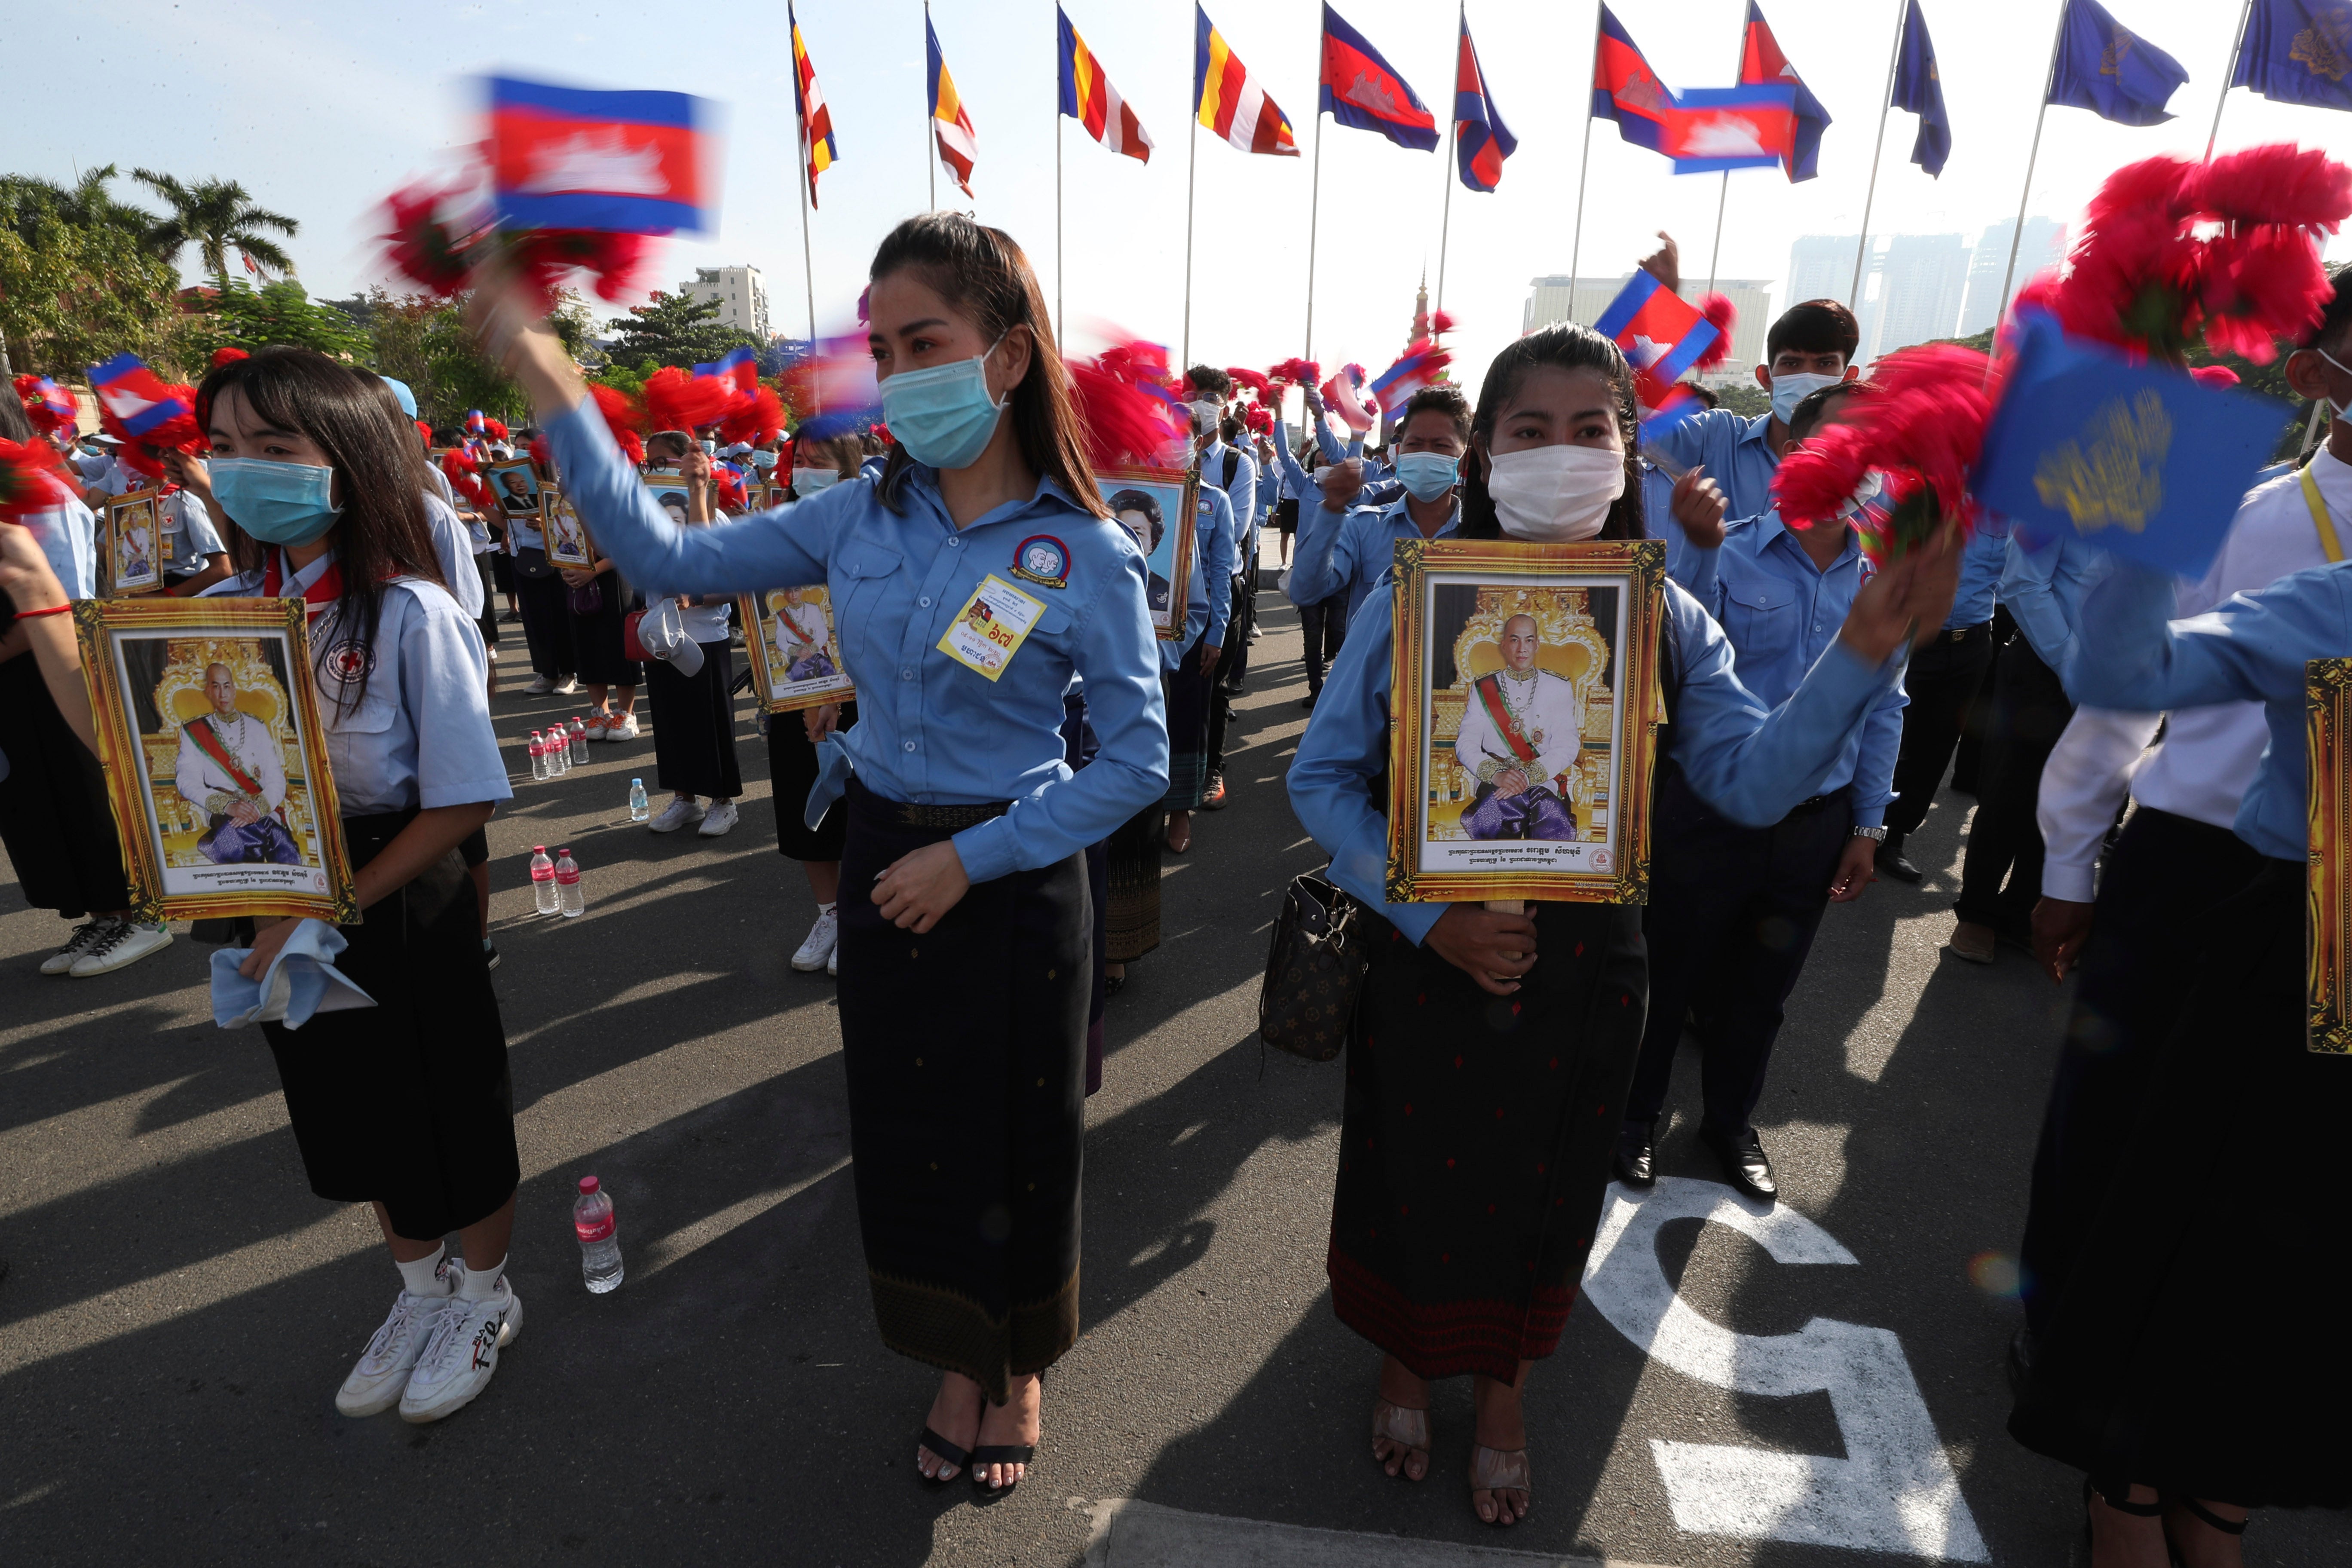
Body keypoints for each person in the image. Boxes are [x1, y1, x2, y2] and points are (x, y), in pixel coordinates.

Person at [472, 211, 1169, 1495]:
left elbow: (1137, 764)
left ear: (1007, 359)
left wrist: (975, 861)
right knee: (911, 1131)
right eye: (885, 347)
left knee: (1014, 1138)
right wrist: (557, 383)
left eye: (928, 342)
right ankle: (951, 1356)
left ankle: (1010, 1368)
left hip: (1008, 879)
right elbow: (664, 554)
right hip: (886, 854)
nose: (901, 373)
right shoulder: (855, 513)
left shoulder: (1086, 551)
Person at [1289, 322, 1957, 1528]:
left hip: (1593, 965)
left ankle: (1503, 1390)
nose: (1560, 453)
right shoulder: (1415, 598)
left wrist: (1862, 653)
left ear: (1627, 448)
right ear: (1485, 455)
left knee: (1547, 1188)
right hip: (1430, 954)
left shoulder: (1664, 620)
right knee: (1408, 1171)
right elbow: (1320, 782)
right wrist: (1425, 916)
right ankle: (1404, 1357)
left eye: (1588, 429)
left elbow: (1753, 784)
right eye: (1529, 431)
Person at [2010, 275, 2352, 1425]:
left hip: (2339, 903)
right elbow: (2120, 697)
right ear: (2314, 376)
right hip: (2201, 868)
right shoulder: (2244, 515)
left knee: (2284, 1168)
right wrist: (2069, 865)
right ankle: (2063, 1352)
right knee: (2118, 1119)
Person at [184, 348, 519, 1424]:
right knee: (345, 1101)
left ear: (348, 459)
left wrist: (333, 902)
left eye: (274, 448)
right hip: (272, 886)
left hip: (396, 892)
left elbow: (464, 798)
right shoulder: (221, 611)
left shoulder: (413, 613)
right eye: (224, 449)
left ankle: (485, 1294)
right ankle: (416, 1293)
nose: (243, 472)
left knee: (447, 1098)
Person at [2008, 547, 2352, 1564]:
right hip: (2305, 943)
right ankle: (2126, 1489)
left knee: (2311, 1264)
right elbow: (2128, 677)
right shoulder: (2333, 600)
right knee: (2204, 1233)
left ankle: (2216, 1501)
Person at [1616, 381, 1905, 1204]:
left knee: (1761, 990)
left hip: (1814, 824)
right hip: (1708, 812)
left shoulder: (1883, 581)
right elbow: (1674, 667)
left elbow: (1886, 705)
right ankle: (1631, 1120)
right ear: (1794, 447)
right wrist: (1699, 554)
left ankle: (1730, 1122)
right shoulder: (1724, 547)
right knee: (1667, 973)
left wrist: (1868, 824)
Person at [0, 395, 174, 979]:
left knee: (87, 791)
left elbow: (64, 602)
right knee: (39, 804)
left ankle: (143, 915)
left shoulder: (39, 489)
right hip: (13, 682)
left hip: (57, 665)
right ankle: (102, 915)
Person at [1948, 528, 2105, 962]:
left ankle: (2022, 914)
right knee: (2010, 794)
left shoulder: (2172, 509)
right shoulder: (2063, 495)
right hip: (2044, 666)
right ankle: (1977, 913)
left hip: (2116, 678)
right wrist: (2073, 664)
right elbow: (2024, 582)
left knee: (2071, 806)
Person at [1639, 233, 1861, 521]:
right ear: (1766, 378)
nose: (1808, 377)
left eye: (1825, 364)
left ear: (1848, 378)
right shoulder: (1717, 437)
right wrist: (1654, 306)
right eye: (1792, 364)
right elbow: (1633, 418)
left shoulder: (1870, 475)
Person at [1875, 515, 2010, 882]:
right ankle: (1860, 829)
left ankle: (1894, 838)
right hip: (1909, 636)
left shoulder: (2007, 510)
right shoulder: (1924, 493)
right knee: (1884, 736)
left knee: (1935, 747)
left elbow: (2018, 579)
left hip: (1972, 642)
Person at [643, 444, 742, 839]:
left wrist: (696, 597)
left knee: (710, 721)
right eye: (654, 463)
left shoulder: (715, 519)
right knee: (671, 721)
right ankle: (685, 799)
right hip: (661, 635)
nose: (665, 470)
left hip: (705, 636)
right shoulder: (646, 523)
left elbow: (734, 585)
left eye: (670, 461)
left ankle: (723, 802)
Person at [1455, 615, 1584, 840]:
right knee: (1501, 809)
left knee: (1547, 812)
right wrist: (1497, 775)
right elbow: (1466, 744)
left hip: (1542, 777)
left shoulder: (1558, 687)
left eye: (1529, 640)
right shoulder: (1483, 688)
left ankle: (1545, 874)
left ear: (1537, 645)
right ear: (1504, 645)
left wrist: (1526, 777)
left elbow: (1567, 746)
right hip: (1495, 780)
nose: (1522, 648)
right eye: (1515, 640)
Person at [1162, 472, 1235, 855]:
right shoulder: (1133, 485)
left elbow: (1221, 570)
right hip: (1138, 617)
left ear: (1197, 443)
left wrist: (1216, 632)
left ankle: (1179, 809)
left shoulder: (1214, 500)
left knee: (1187, 717)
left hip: (1192, 623)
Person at [178, 662, 304, 864]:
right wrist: (229, 806)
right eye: (216, 686)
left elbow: (276, 778)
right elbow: (186, 781)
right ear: (208, 691)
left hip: (259, 807)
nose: (223, 694)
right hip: (223, 812)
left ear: (234, 690)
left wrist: (258, 808)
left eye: (227, 686)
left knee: (283, 844)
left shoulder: (257, 727)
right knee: (236, 839)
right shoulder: (194, 731)